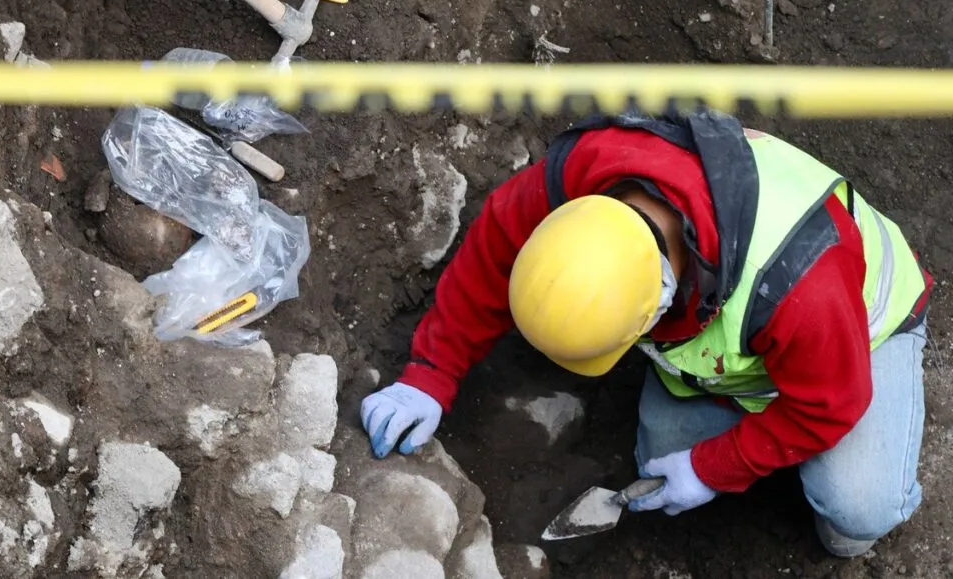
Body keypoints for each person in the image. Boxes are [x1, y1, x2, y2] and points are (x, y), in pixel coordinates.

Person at [359, 108, 932, 558]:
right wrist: (429, 375)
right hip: (740, 353)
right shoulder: (580, 176)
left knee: (855, 507)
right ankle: (758, 438)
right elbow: (491, 251)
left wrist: (713, 467)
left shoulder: (797, 285)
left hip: (863, 335)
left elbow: (829, 406)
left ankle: (848, 512)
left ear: (661, 304)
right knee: (655, 462)